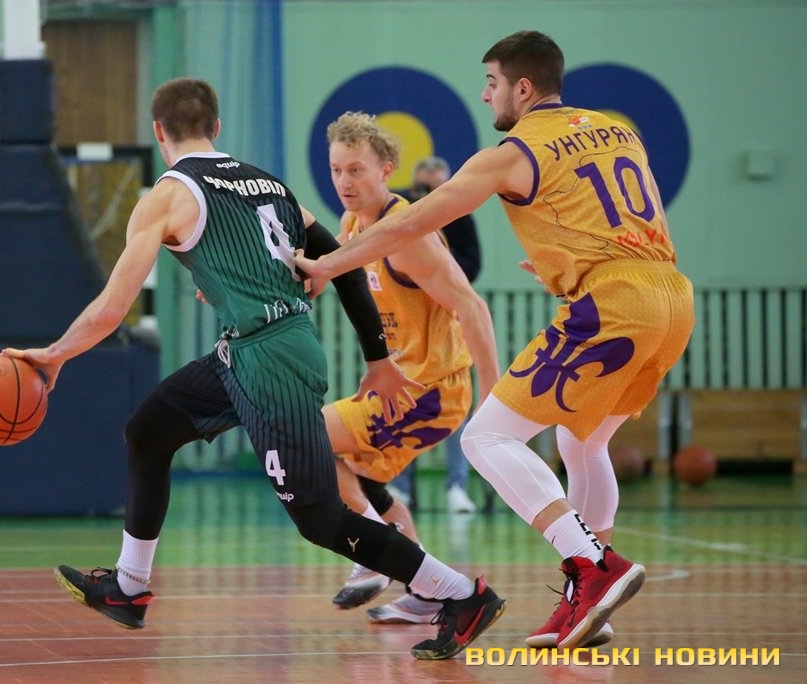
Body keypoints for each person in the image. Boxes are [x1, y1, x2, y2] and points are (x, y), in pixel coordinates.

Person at [3, 78, 505, 661]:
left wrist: (54, 355)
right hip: (247, 350)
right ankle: (129, 586)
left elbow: (113, 309)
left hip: (271, 360)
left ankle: (459, 594)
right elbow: (339, 265)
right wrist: (375, 356)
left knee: (319, 518)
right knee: (149, 430)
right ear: (216, 128)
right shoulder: (267, 182)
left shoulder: (167, 196)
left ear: (159, 132)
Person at [295, 31, 695, 650]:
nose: (485, 96)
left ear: (522, 88)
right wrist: (568, 261)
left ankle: (594, 566)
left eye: (491, 83)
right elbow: (633, 218)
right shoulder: (616, 131)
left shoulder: (511, 153)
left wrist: (326, 264)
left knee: (485, 438)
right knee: (583, 441)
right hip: (670, 294)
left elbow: (413, 221)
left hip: (613, 304)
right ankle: (589, 602)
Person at [320, 113, 500, 624]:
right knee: (356, 477)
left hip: (432, 391)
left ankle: (373, 552)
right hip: (398, 386)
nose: (344, 182)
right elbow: (322, 275)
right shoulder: (354, 225)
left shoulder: (409, 236)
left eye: (356, 170)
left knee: (305, 437)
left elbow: (473, 307)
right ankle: (426, 592)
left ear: (386, 170)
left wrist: (493, 398)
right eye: (336, 170)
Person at [389, 155, 483, 514]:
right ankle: (400, 485)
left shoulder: (460, 216)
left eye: (436, 187)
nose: (429, 193)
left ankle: (457, 486)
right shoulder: (400, 210)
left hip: (446, 317)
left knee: (455, 404)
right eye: (423, 187)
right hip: (407, 321)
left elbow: (473, 265)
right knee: (402, 402)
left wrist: (438, 266)